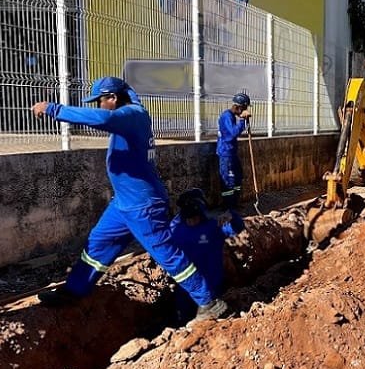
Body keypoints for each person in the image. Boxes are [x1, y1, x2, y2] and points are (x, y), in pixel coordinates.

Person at [30, 76, 227, 322]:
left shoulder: (132, 115)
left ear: (112, 98)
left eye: (100, 101)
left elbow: (103, 119)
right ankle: (74, 290)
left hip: (143, 206)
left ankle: (208, 301)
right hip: (123, 203)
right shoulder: (129, 116)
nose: (98, 106)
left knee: (166, 253)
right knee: (98, 244)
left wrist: (52, 109)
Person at [170, 188, 226, 324]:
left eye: (194, 217)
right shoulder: (175, 229)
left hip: (210, 284)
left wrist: (231, 216)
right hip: (189, 287)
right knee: (186, 316)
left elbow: (233, 226)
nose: (192, 220)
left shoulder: (212, 227)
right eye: (190, 218)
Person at [217, 92, 251, 234]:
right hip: (226, 155)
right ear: (238, 107)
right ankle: (228, 209)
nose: (244, 111)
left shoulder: (232, 117)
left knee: (238, 179)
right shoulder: (226, 116)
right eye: (243, 109)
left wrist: (246, 122)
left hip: (232, 154)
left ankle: (234, 205)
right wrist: (242, 121)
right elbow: (231, 134)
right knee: (229, 183)